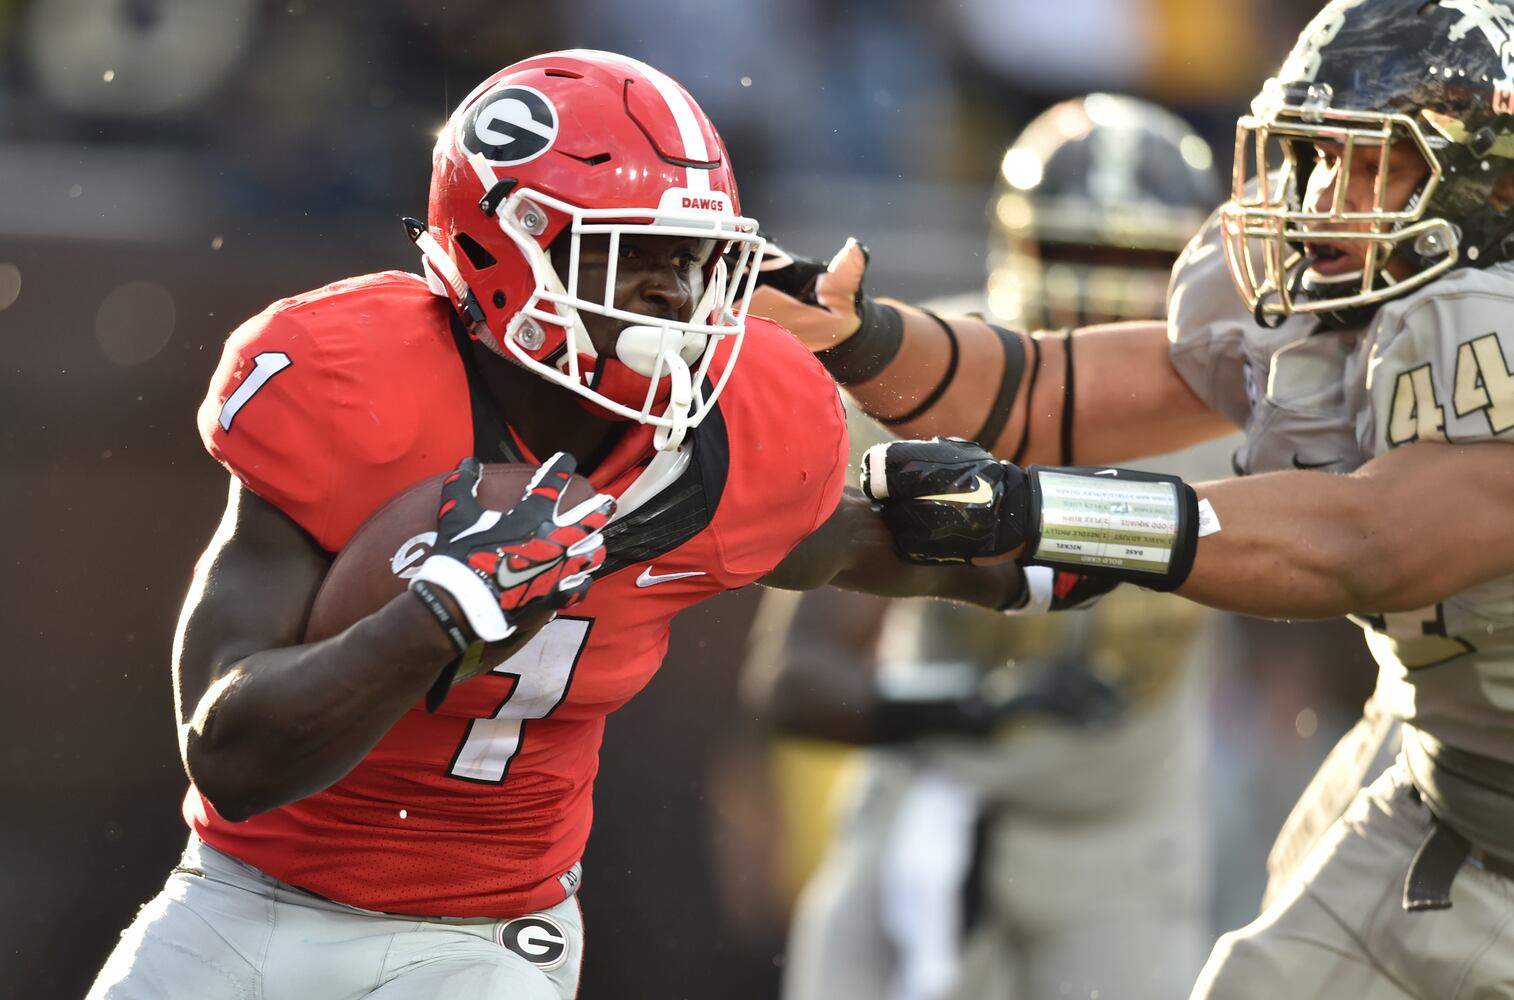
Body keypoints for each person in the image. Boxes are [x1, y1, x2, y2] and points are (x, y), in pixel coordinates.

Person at [84, 50, 1024, 1000]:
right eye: (631, 252)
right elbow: (232, 757)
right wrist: (434, 619)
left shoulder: (739, 429)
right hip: (244, 899)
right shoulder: (348, 382)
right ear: (508, 246)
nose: (672, 292)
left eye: (688, 257)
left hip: (483, 940)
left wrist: (1035, 526)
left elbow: (894, 546)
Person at [752, 1, 1514, 995]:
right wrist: (859, 337)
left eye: (1371, 165)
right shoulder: (1358, 307)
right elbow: (1048, 391)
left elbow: (1365, 542)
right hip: (1438, 783)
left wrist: (1043, 514)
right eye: (1317, 155)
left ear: (1488, 181)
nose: (1323, 197)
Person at [742, 95, 1224, 1000]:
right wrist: (982, 707)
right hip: (928, 811)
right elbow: (794, 683)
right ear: (1014, 247)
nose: (1099, 290)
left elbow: (1344, 571)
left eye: (1134, 259)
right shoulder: (917, 382)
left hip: (1125, 845)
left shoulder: (1235, 408)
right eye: (1074, 249)